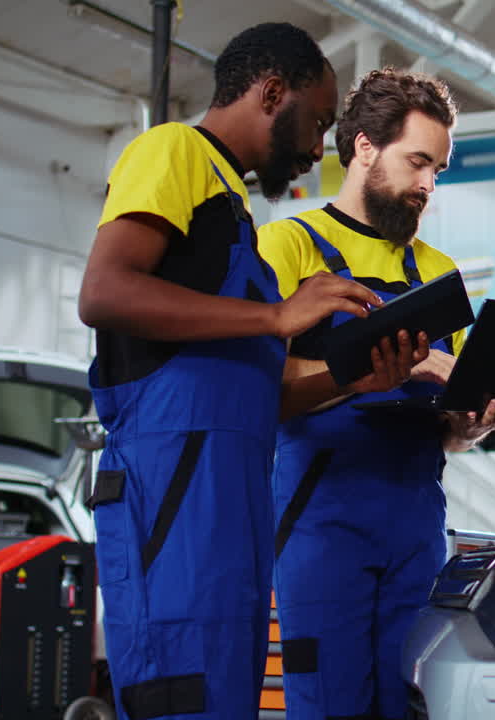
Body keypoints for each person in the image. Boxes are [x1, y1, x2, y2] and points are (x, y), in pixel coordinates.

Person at [77, 25, 425, 720]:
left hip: (230, 514)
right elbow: (104, 292)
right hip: (171, 499)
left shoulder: (234, 221)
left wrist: (358, 379)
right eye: (320, 121)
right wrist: (274, 319)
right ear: (272, 92)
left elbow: (256, 398)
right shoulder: (171, 150)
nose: (318, 147)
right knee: (178, 702)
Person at [257, 67, 495, 720]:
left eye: (437, 170)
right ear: (363, 148)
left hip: (416, 524)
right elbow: (258, 398)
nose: (427, 186)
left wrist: (476, 422)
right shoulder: (289, 247)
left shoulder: (438, 273)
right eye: (417, 163)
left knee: (411, 706)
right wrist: (358, 375)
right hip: (323, 522)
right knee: (330, 708)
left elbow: (450, 430)